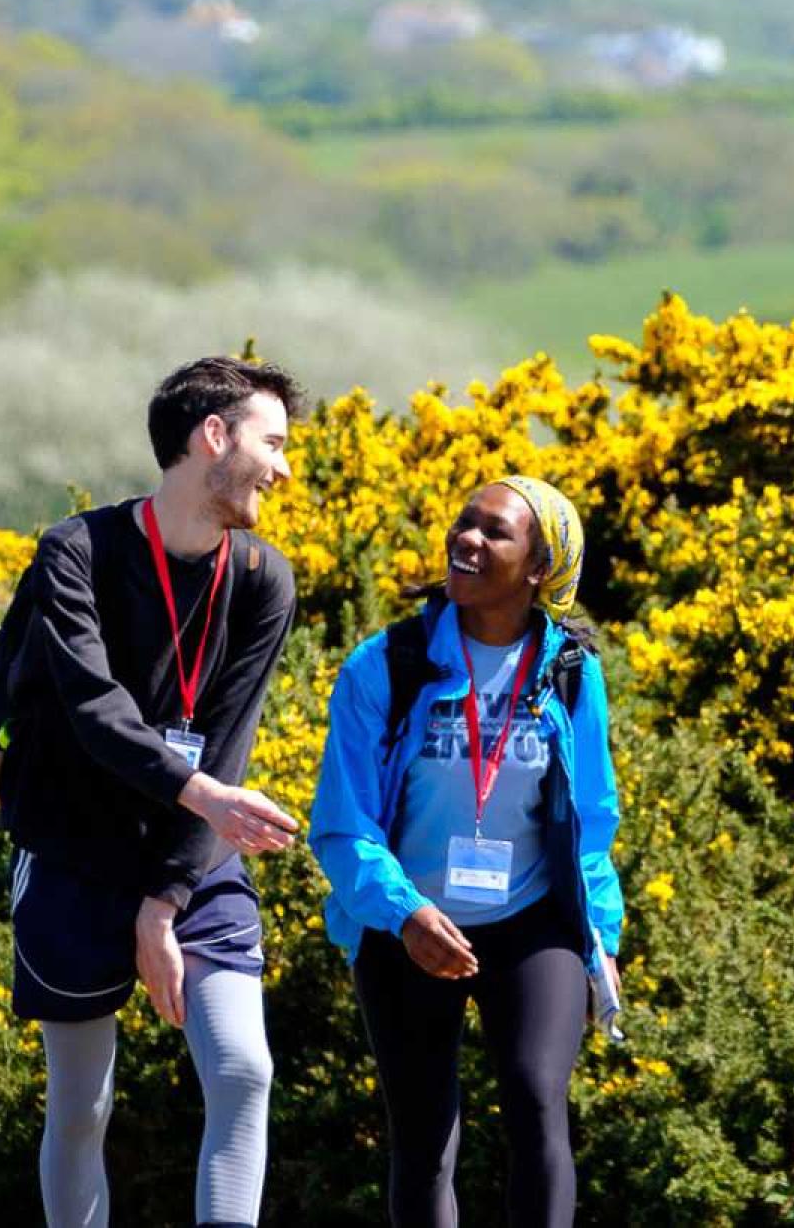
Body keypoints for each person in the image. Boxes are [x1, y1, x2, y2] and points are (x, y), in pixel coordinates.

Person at [0, 356, 307, 1228]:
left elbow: (227, 743)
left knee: (242, 1070)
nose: (284, 466)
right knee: (84, 1103)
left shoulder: (264, 579)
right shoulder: (75, 551)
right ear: (213, 436)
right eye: (272, 442)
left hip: (193, 853)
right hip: (74, 853)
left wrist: (168, 894)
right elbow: (92, 711)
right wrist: (201, 794)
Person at [311, 477, 626, 1228]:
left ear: (540, 568)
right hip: (407, 926)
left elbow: (591, 820)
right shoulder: (384, 664)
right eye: (464, 524)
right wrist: (405, 913)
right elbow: (342, 824)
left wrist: (599, 939)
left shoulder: (571, 673)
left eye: (495, 533)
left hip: (530, 923)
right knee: (424, 1141)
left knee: (534, 1095)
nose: (468, 540)